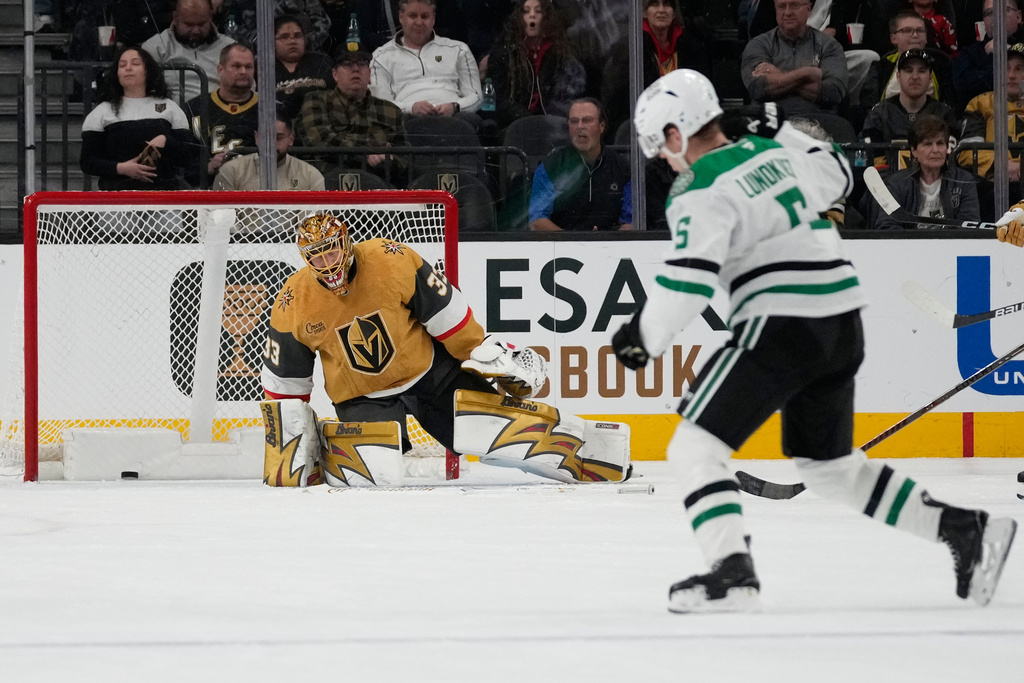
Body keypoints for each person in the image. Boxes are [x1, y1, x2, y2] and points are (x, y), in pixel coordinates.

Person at [614, 68, 1016, 612]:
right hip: (842, 322)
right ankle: (967, 531)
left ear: (677, 132)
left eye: (659, 144)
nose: (662, 158)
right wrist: (778, 125)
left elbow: (688, 277)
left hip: (781, 321)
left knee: (693, 446)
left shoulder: (698, 186)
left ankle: (733, 573)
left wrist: (642, 336)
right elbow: (838, 176)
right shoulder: (773, 152)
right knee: (828, 468)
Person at [261, 214, 630, 486]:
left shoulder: (391, 259)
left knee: (499, 435)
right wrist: (289, 446)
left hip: (431, 375)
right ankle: (328, 449)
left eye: (330, 251)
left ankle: (597, 451)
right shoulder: (294, 301)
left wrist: (482, 350)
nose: (326, 263)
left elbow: (446, 314)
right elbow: (285, 383)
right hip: (362, 396)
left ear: (346, 242)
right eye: (316, 256)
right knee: (371, 474)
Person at [80, 45, 198, 190]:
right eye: (122, 65)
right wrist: (122, 168)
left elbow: (187, 157)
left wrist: (166, 142)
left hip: (164, 196)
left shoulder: (170, 107)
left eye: (135, 63)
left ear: (148, 71)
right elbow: (87, 162)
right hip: (116, 196)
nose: (128, 68)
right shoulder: (102, 111)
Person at [296, 42, 408, 184]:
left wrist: (390, 160)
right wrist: (370, 152)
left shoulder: (391, 111)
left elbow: (406, 157)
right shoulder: (315, 101)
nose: (355, 69)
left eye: (362, 63)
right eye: (347, 64)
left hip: (379, 187)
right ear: (335, 74)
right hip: (328, 185)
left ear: (369, 73)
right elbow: (320, 142)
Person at [528, 98, 633, 231]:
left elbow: (631, 221)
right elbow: (537, 220)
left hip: (611, 248)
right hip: (561, 248)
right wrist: (575, 244)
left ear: (602, 126)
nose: (580, 126)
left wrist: (608, 244)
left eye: (587, 120)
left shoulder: (622, 168)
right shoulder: (551, 166)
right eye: (574, 121)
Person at [861, 115, 979, 228]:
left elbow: (970, 226)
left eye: (940, 143)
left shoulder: (963, 181)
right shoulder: (897, 184)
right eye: (928, 144)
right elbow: (887, 226)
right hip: (910, 247)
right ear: (914, 151)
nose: (935, 150)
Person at [370, 0, 482, 118]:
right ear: (401, 17)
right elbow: (380, 105)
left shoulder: (459, 49)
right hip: (407, 122)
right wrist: (410, 108)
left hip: (455, 118)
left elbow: (476, 97)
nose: (419, 22)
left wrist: (455, 107)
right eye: (413, 16)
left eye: (425, 16)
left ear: (433, 19)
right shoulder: (380, 56)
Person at [485, 0, 587, 128]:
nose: (532, 15)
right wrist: (524, 117)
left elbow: (571, 94)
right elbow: (494, 99)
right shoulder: (503, 54)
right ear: (518, 18)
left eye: (538, 11)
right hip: (514, 125)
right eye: (526, 11)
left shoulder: (562, 53)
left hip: (555, 124)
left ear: (547, 18)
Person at [740, 0, 850, 114]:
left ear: (808, 10)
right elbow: (758, 88)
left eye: (794, 5)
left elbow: (833, 92)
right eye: (781, 7)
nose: (787, 12)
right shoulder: (758, 44)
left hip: (819, 122)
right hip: (771, 123)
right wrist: (808, 73)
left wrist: (778, 74)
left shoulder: (829, 45)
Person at [860, 49, 960, 171]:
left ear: (930, 78)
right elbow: (874, 165)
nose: (915, 77)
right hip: (889, 187)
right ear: (898, 76)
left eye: (922, 71)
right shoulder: (879, 115)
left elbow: (949, 164)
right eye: (908, 70)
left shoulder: (945, 114)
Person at [184, 42, 258, 185]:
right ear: (220, 70)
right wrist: (209, 167)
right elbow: (184, 162)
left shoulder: (269, 109)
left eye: (248, 67)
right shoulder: (194, 108)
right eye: (236, 66)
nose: (243, 71)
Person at [142, 0, 236, 102]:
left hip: (219, 113)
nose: (196, 31)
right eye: (189, 25)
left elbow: (246, 89)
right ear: (175, 17)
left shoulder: (230, 48)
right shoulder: (155, 47)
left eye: (201, 24)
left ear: (210, 16)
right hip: (170, 114)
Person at [958, 43, 1024, 183]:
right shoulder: (980, 103)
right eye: (1006, 68)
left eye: (1019, 69)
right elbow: (968, 151)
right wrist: (999, 165)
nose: (1011, 75)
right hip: (991, 183)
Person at [212, 114, 325, 190]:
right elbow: (222, 221)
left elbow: (312, 223)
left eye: (278, 138)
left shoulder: (311, 175)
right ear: (257, 138)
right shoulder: (231, 171)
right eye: (266, 137)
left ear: (291, 139)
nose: (271, 144)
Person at [953, 0, 1024, 110]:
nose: (996, 17)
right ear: (983, 21)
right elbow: (961, 88)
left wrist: (1010, 51)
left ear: (1018, 16)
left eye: (1004, 10)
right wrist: (993, 64)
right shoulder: (970, 54)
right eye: (989, 13)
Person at [878, 10, 955, 103]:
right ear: (893, 38)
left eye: (920, 30)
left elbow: (950, 106)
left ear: (926, 38)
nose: (915, 35)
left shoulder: (942, 63)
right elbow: (869, 106)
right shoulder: (882, 65)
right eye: (907, 30)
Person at [274, 14, 333, 122]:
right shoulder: (265, 67)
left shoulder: (321, 61)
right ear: (272, 42)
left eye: (297, 36)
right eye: (284, 37)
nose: (292, 41)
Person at [229, 0, 332, 52]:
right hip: (261, 58)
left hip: (307, 52)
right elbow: (232, 30)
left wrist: (300, 42)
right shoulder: (239, 2)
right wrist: (271, 45)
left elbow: (322, 23)